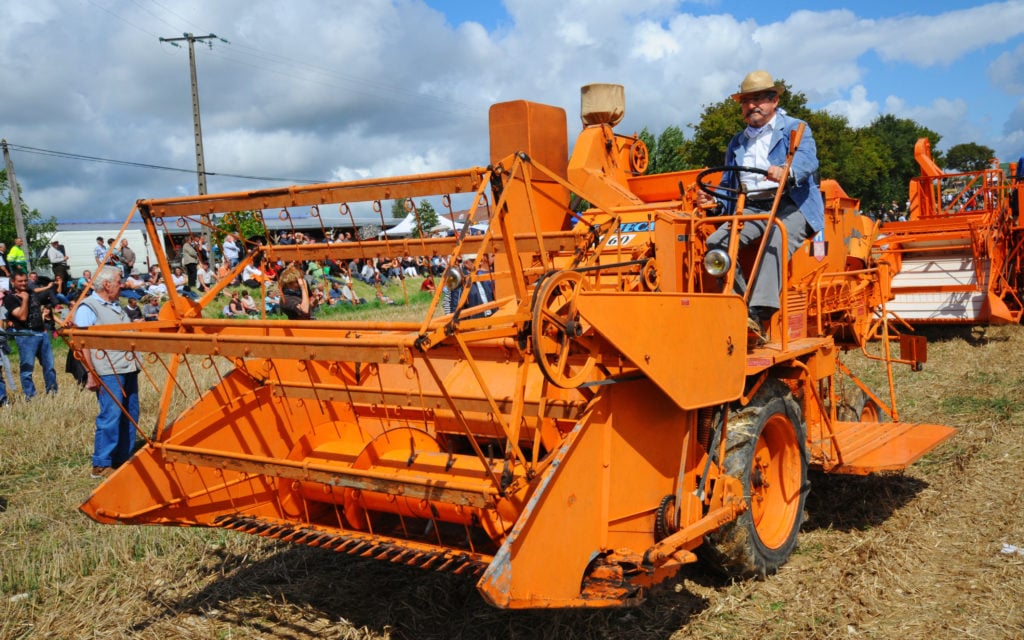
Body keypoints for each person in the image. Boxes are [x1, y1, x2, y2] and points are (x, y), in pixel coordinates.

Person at [697, 70, 824, 343]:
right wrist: (715, 200)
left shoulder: (795, 128)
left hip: (791, 203)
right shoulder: (738, 141)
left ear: (774, 100)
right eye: (747, 100)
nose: (753, 105)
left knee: (777, 235)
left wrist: (787, 171)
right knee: (717, 242)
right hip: (752, 206)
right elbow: (729, 181)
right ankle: (739, 307)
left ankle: (760, 311)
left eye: (759, 99)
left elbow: (807, 161)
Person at [72, 266, 140, 479]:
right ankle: (101, 463)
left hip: (127, 366)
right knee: (111, 414)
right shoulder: (88, 307)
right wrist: (91, 374)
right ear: (107, 284)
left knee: (131, 414)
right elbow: (82, 344)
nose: (123, 285)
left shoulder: (115, 306)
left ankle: (123, 458)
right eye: (119, 281)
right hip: (108, 371)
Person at [3, 272, 58, 399]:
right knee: (27, 369)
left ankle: (53, 393)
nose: (23, 283)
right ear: (13, 282)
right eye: (20, 281)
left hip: (41, 333)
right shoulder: (10, 298)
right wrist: (25, 299)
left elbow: (42, 306)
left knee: (49, 367)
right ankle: (31, 396)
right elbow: (21, 316)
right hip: (25, 335)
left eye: (25, 281)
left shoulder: (32, 292)